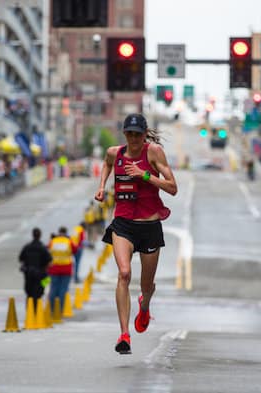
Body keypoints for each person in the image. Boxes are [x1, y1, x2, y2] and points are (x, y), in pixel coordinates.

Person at [94, 113, 178, 355]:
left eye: (137, 134)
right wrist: (101, 187)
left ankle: (145, 305)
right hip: (123, 224)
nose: (133, 138)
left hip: (149, 225)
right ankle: (124, 335)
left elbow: (173, 188)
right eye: (129, 133)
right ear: (124, 134)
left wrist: (144, 175)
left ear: (144, 134)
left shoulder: (154, 153)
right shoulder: (114, 153)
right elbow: (107, 164)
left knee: (146, 284)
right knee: (124, 273)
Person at [19, 228, 53, 308]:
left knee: (29, 294)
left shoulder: (27, 247)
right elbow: (49, 260)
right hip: (41, 275)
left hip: (29, 274)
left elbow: (21, 258)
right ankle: (37, 310)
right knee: (40, 293)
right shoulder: (43, 248)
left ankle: (29, 310)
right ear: (40, 235)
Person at [47, 226, 76, 312]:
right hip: (66, 268)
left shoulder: (53, 241)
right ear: (66, 233)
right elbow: (75, 250)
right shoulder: (68, 241)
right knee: (63, 289)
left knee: (53, 288)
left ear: (59, 232)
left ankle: (51, 308)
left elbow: (47, 249)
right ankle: (60, 309)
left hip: (54, 268)